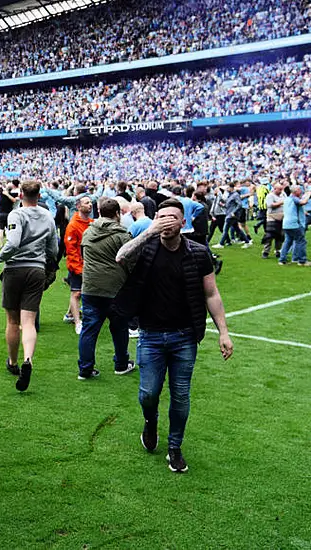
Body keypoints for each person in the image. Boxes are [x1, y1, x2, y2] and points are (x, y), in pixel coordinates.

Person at [115, 198, 233, 473]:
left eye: (172, 217)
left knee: (181, 395)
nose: (167, 221)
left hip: (184, 337)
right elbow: (121, 256)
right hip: (151, 335)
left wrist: (223, 332)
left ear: (183, 223)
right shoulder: (147, 248)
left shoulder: (198, 252)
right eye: (162, 216)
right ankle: (150, 422)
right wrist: (149, 231)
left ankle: (174, 447)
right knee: (148, 393)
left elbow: (211, 294)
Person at [0, 180, 59, 393]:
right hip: (37, 269)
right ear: (39, 195)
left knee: (12, 320)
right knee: (29, 322)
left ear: (20, 195)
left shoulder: (16, 215)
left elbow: (13, 243)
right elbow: (53, 248)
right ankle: (28, 359)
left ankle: (12, 362)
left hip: (15, 269)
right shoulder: (48, 216)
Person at [76, 198, 135, 380]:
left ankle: (85, 368)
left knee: (89, 328)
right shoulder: (122, 235)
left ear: (99, 212)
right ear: (117, 214)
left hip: (91, 287)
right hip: (115, 288)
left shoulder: (88, 232)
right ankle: (121, 363)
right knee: (119, 328)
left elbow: (83, 254)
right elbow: (130, 261)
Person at [64, 196, 93, 334]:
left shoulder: (92, 223)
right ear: (78, 206)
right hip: (78, 265)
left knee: (81, 292)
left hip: (90, 265)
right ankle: (77, 322)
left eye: (90, 202)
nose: (90, 204)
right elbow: (71, 249)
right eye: (87, 203)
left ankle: (70, 314)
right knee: (76, 293)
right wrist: (78, 268)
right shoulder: (73, 225)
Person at [279, 185, 309, 266]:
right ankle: (302, 260)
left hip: (286, 224)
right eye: (299, 190)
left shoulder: (287, 199)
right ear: (295, 192)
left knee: (288, 241)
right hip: (295, 224)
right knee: (301, 241)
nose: (301, 191)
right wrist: (309, 194)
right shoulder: (294, 198)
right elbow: (303, 202)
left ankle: (282, 259)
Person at [262, 183, 285, 260]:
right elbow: (270, 205)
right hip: (272, 217)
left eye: (281, 189)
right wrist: (281, 203)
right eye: (279, 189)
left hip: (282, 217)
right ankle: (266, 252)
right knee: (269, 235)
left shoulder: (283, 195)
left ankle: (278, 251)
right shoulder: (270, 196)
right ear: (275, 189)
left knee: (280, 235)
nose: (281, 191)